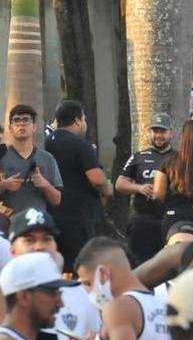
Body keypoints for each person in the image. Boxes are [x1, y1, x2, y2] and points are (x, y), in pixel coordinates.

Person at [75, 237, 172, 340]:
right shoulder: (165, 305)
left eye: (88, 283)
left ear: (103, 274)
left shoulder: (119, 307)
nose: (89, 291)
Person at [7, 208, 99, 340]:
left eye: (47, 239)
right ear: (12, 251)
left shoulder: (78, 293)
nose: (40, 247)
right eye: (29, 240)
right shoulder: (4, 295)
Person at [45, 101, 110, 270]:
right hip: (79, 218)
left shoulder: (46, 142)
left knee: (59, 267)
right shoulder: (80, 144)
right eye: (84, 119)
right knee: (81, 267)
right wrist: (107, 190)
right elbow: (97, 179)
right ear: (77, 120)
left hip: (52, 215)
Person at [116, 112, 176, 263]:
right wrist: (139, 188)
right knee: (138, 263)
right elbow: (120, 184)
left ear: (171, 133)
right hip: (142, 221)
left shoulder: (179, 157)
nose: (158, 135)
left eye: (162, 131)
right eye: (155, 131)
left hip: (169, 219)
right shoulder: (139, 156)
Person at [0, 104, 62, 216]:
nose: (21, 123)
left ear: (34, 127)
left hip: (37, 226)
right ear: (10, 128)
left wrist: (44, 185)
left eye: (26, 120)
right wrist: (4, 185)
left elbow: (57, 200)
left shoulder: (47, 158)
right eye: (16, 120)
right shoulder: (2, 156)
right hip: (7, 225)